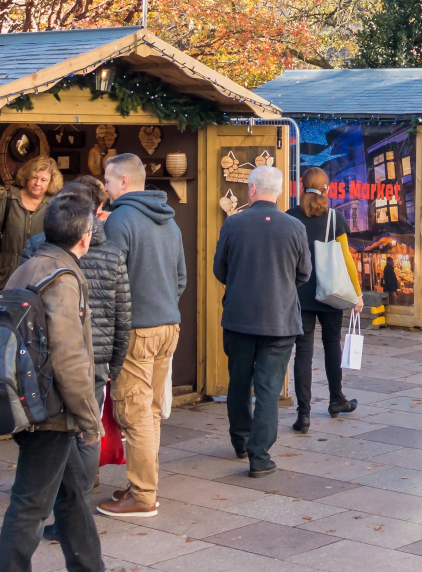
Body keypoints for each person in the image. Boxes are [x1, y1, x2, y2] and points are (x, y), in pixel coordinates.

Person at [0, 194, 105, 572]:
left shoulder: (28, 267)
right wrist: (90, 418)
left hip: (28, 399)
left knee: (71, 495)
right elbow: (68, 356)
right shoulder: (63, 277)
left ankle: (89, 566)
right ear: (85, 236)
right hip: (50, 409)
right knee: (30, 505)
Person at [21, 180, 129, 514]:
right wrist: (114, 363)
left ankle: (65, 502)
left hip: (45, 359)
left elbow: (24, 306)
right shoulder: (112, 253)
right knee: (86, 432)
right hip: (93, 358)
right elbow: (123, 314)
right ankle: (78, 497)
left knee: (52, 430)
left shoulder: (37, 250)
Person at [98, 152, 188, 517]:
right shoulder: (170, 221)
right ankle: (141, 485)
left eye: (106, 181)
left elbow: (109, 280)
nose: (104, 188)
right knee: (149, 411)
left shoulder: (120, 220)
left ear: (123, 182)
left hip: (137, 331)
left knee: (134, 414)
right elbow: (181, 278)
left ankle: (144, 496)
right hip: (169, 326)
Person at [212, 163, 312, 477]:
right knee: (269, 388)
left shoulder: (233, 224)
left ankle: (240, 442)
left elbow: (220, 270)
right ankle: (259, 456)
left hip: (239, 318)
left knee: (239, 383)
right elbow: (304, 274)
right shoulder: (295, 227)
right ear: (279, 192)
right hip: (280, 321)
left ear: (252, 189)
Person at [287, 168, 358, 428]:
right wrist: (357, 293)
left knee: (303, 351)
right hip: (331, 291)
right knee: (331, 346)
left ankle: (303, 414)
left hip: (299, 292)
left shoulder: (290, 217)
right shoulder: (334, 218)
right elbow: (347, 258)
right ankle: (336, 399)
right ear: (326, 188)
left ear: (301, 187)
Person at [0, 156, 56, 291]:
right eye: (34, 177)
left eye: (43, 180)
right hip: (5, 280)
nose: (38, 183)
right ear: (27, 177)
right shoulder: (7, 199)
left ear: (50, 183)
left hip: (39, 282)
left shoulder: (54, 206)